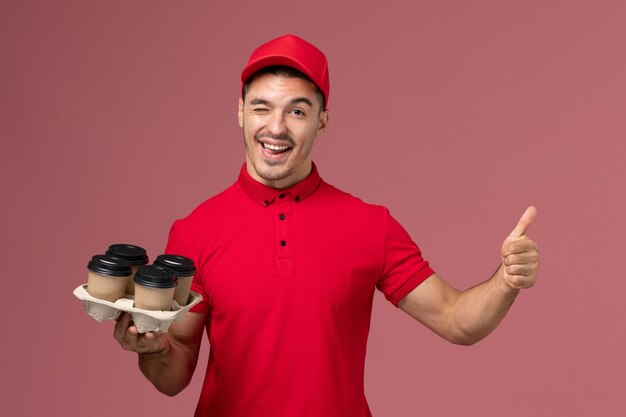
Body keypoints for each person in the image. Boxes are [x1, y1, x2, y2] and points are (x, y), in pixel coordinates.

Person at [114, 34, 539, 417]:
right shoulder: (195, 231)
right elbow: (176, 372)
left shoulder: (370, 225)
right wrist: (153, 349)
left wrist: (506, 280)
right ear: (241, 112)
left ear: (322, 121)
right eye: (261, 107)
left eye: (297, 111)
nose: (276, 127)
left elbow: (457, 320)